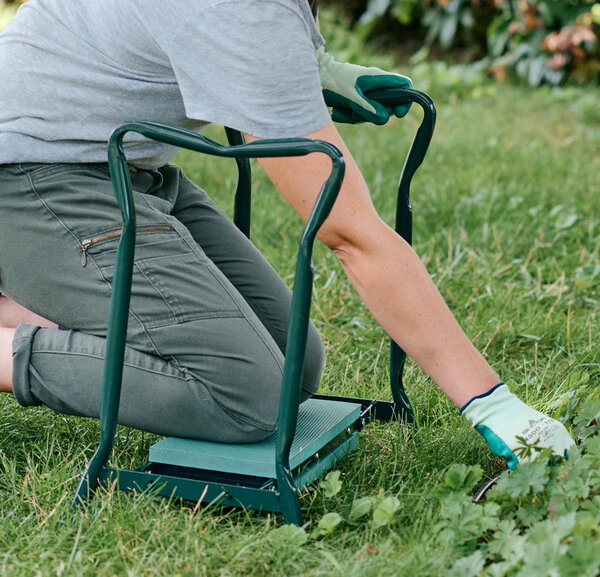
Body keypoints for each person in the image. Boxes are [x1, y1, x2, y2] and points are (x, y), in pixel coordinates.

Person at [0, 0, 573, 468]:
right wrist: (492, 405)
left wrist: (315, 73)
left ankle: (31, 302)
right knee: (244, 399)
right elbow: (349, 234)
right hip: (29, 178)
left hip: (125, 167)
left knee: (293, 364)